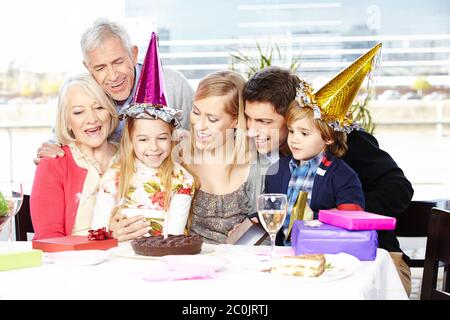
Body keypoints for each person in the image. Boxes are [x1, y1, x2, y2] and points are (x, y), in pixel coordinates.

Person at [244, 52, 413, 295]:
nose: (252, 130)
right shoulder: (279, 159)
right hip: (306, 264)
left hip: (378, 265)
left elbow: (399, 188)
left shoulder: (347, 142)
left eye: (263, 121)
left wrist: (338, 217)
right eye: (249, 119)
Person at [35, 17, 194, 162]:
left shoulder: (174, 86)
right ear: (88, 67)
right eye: (100, 67)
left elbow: (198, 145)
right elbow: (62, 137)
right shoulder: (84, 93)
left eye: (118, 62)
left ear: (133, 54)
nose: (113, 76)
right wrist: (50, 151)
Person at [91, 33, 194, 241]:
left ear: (173, 137)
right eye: (143, 139)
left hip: (161, 256)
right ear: (130, 139)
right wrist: (109, 235)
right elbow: (97, 231)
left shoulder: (182, 180)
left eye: (162, 138)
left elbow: (173, 238)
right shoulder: (115, 175)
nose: (153, 148)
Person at [265, 80, 365, 242]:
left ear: (328, 137)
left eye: (304, 134)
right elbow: (271, 209)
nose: (294, 140)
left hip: (323, 252)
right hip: (283, 253)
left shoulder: (342, 176)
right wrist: (255, 218)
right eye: (291, 131)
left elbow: (353, 219)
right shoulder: (277, 170)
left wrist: (315, 217)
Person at [30, 73, 120, 239]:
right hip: (74, 263)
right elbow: (50, 240)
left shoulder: (131, 158)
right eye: (78, 112)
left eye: (99, 107)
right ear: (67, 121)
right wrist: (110, 235)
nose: (92, 119)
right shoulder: (52, 165)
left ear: (111, 111)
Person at [183, 70, 255, 244]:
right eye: (196, 112)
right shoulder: (180, 159)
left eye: (212, 119)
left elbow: (266, 234)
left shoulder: (256, 166)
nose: (199, 125)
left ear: (236, 120)